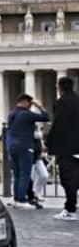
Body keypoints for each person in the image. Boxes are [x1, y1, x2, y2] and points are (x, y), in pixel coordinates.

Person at [6, 93, 49, 209]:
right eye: (30, 104)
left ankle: (16, 199)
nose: (31, 106)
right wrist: (39, 106)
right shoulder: (27, 114)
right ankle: (21, 199)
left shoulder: (12, 114)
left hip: (12, 147)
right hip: (25, 146)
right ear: (25, 102)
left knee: (17, 175)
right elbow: (46, 117)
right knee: (25, 174)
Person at [45, 76, 79, 220]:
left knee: (68, 178)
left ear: (60, 87)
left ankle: (70, 209)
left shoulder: (62, 103)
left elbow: (58, 125)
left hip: (67, 147)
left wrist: (49, 143)